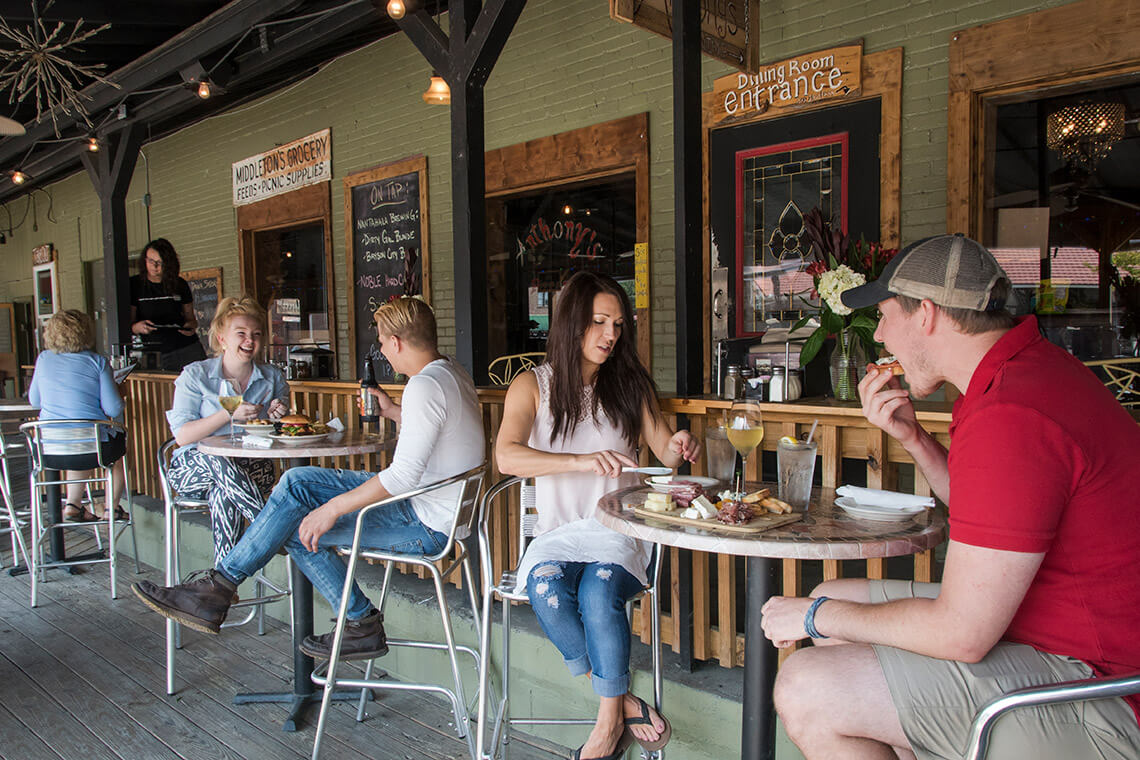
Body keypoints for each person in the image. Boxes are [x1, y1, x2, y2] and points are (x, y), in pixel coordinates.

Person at [760, 234, 1140, 760]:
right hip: (1054, 638)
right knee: (842, 595)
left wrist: (812, 616)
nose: (881, 337)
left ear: (927, 315)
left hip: (1106, 695)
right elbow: (997, 518)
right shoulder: (1021, 377)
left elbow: (963, 635)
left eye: (885, 317)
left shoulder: (1012, 416)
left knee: (808, 685)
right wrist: (913, 437)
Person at [133, 296, 485, 661]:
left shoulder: (424, 386)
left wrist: (331, 509)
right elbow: (436, 437)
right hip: (431, 504)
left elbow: (403, 476)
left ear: (395, 342)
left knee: (298, 526)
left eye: (381, 342)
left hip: (424, 523)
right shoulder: (449, 371)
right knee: (296, 483)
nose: (382, 350)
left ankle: (358, 620)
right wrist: (393, 411)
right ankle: (217, 588)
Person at [496, 272, 699, 760]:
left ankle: (607, 726)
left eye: (618, 324)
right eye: (599, 322)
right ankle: (623, 701)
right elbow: (506, 457)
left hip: (617, 533)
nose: (611, 334)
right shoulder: (532, 386)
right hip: (559, 534)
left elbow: (664, 452)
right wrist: (580, 462)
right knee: (545, 588)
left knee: (598, 589)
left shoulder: (630, 385)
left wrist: (678, 445)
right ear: (570, 324)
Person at [165, 296, 289, 564]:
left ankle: (221, 582)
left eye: (256, 334)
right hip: (192, 469)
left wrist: (278, 416)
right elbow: (182, 436)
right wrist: (228, 413)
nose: (249, 340)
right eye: (241, 333)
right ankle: (269, 528)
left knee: (225, 490)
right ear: (221, 338)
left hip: (252, 468)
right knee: (217, 459)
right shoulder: (194, 375)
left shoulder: (272, 377)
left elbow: (280, 432)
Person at [28, 310, 127, 521]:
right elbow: (114, 409)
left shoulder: (43, 359)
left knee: (79, 447)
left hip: (46, 449)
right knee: (116, 455)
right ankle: (112, 509)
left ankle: (73, 505)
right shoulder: (97, 362)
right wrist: (119, 392)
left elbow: (34, 401)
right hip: (91, 447)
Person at [130, 238, 207, 371]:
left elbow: (191, 319)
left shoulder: (179, 284)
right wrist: (137, 327)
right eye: (150, 261)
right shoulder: (134, 285)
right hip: (155, 352)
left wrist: (191, 327)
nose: (154, 267)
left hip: (186, 346)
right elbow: (128, 324)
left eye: (160, 263)